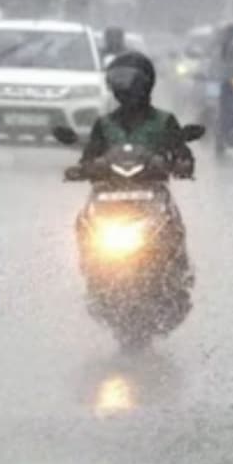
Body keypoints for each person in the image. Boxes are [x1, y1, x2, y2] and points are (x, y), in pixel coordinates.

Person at [66, 51, 195, 332]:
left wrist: (182, 164)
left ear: (145, 84)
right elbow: (88, 157)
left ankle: (176, 277)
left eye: (128, 81)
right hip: (108, 196)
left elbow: (182, 153)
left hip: (151, 194)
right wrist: (81, 169)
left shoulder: (164, 121)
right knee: (82, 223)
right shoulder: (104, 124)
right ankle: (93, 274)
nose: (122, 88)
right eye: (117, 82)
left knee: (173, 227)